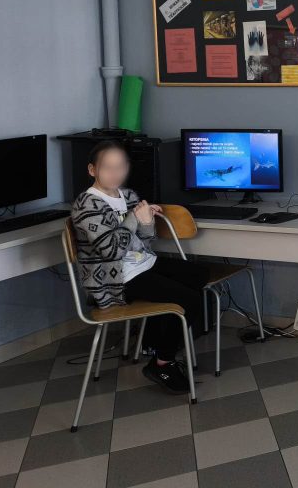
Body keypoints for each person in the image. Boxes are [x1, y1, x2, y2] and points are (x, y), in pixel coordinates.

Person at [71, 140, 207, 394]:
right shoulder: (87, 205)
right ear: (92, 170)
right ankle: (162, 363)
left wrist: (146, 220)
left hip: (142, 264)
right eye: (108, 167)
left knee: (199, 275)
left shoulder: (128, 196)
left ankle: (153, 343)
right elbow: (111, 250)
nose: (115, 173)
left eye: (121, 167)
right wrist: (134, 217)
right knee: (190, 300)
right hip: (114, 281)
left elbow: (145, 241)